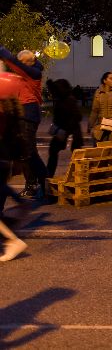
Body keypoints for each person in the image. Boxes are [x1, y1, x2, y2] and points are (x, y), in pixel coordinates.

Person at [0, 46, 48, 199]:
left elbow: (15, 63)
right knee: (24, 152)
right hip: (22, 113)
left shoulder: (34, 73)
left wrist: (4, 53)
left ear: (28, 62)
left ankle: (44, 185)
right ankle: (34, 184)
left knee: (29, 152)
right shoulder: (25, 74)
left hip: (29, 113)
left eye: (22, 62)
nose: (18, 66)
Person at [0, 97, 27, 261]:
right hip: (3, 163)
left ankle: (12, 239)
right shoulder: (10, 121)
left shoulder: (3, 119)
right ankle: (11, 233)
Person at [45, 79, 84, 178]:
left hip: (71, 131)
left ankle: (77, 177)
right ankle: (49, 176)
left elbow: (78, 116)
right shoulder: (61, 99)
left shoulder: (68, 100)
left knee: (75, 155)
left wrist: (65, 129)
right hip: (63, 131)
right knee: (53, 151)